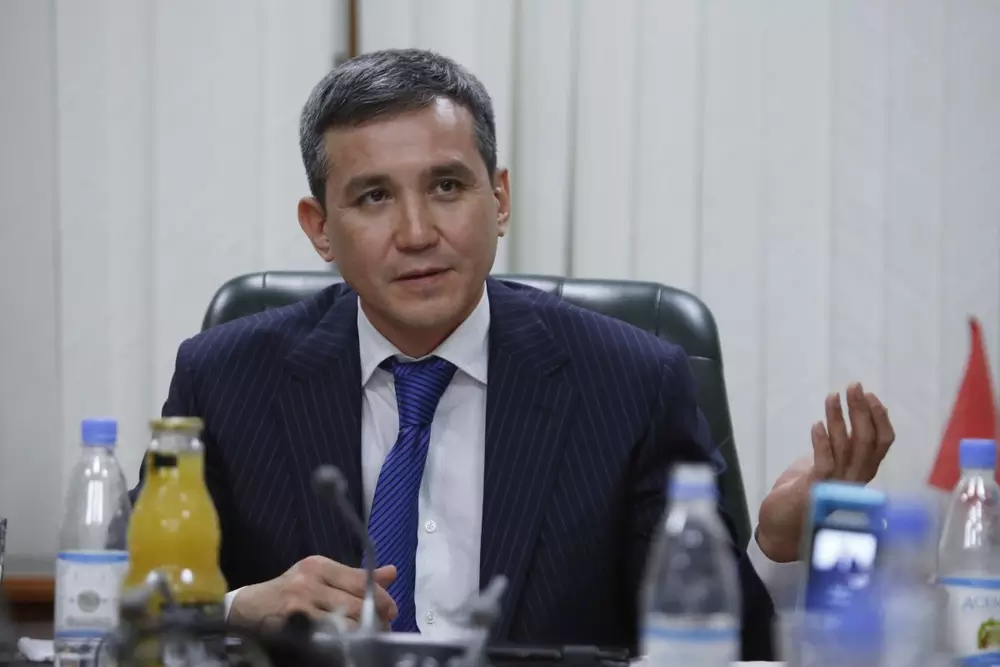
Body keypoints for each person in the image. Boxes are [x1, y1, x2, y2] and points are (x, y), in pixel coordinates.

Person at [140, 49, 895, 660]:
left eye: (447, 186)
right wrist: (235, 608)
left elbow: (724, 648)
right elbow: (127, 611)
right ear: (319, 228)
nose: (416, 232)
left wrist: (780, 547)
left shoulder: (631, 384)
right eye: (373, 197)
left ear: (499, 199)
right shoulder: (224, 378)